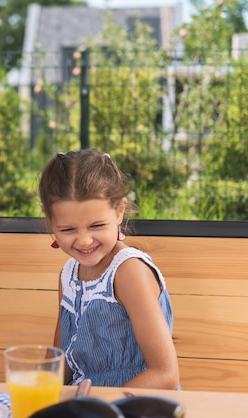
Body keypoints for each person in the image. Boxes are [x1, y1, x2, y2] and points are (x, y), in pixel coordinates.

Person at [38, 149, 179, 389]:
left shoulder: (128, 271)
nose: (84, 241)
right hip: (85, 404)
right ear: (51, 222)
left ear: (119, 211)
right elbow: (62, 363)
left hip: (134, 406)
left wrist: (99, 408)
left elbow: (165, 374)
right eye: (67, 229)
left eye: (97, 225)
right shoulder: (69, 275)